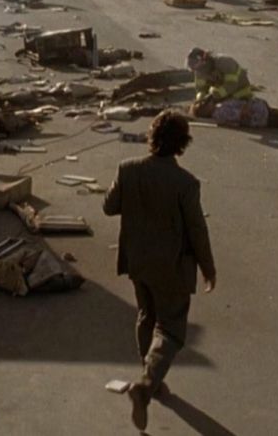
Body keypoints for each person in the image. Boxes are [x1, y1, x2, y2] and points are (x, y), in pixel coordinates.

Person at [103, 110, 216, 431]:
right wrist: (208, 268)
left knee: (146, 316)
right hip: (172, 268)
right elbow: (197, 230)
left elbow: (109, 207)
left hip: (137, 262)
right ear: (183, 144)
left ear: (151, 137)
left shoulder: (128, 170)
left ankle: (148, 377)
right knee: (170, 329)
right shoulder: (186, 183)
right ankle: (146, 385)